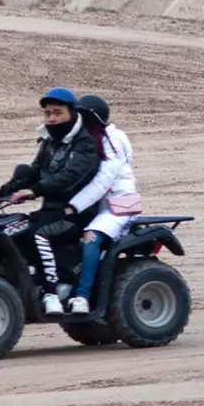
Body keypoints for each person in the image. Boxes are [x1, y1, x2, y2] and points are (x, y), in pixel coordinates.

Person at [0, 87, 103, 315]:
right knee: (9, 232)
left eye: (57, 112)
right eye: (48, 114)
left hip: (75, 215)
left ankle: (51, 293)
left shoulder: (84, 144)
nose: (52, 118)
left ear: (72, 113)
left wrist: (34, 191)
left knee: (39, 234)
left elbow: (68, 177)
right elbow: (32, 172)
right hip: (51, 211)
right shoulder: (49, 142)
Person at [61, 94, 142, 315]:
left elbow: (102, 182)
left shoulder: (113, 140)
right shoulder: (87, 140)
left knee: (91, 236)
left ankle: (82, 297)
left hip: (119, 205)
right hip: (98, 207)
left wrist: (74, 206)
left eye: (83, 117)